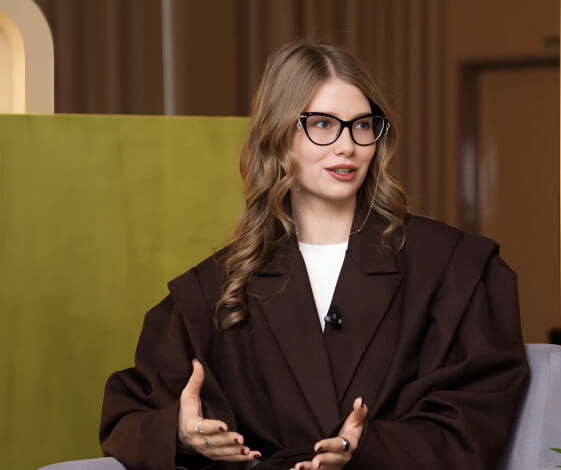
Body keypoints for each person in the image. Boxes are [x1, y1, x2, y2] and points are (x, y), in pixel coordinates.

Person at [100, 41, 529, 470]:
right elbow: (129, 416)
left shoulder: (452, 266)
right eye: (322, 124)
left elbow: (479, 412)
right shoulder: (214, 288)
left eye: (363, 125)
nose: (347, 146)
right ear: (278, 136)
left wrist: (371, 447)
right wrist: (182, 433)